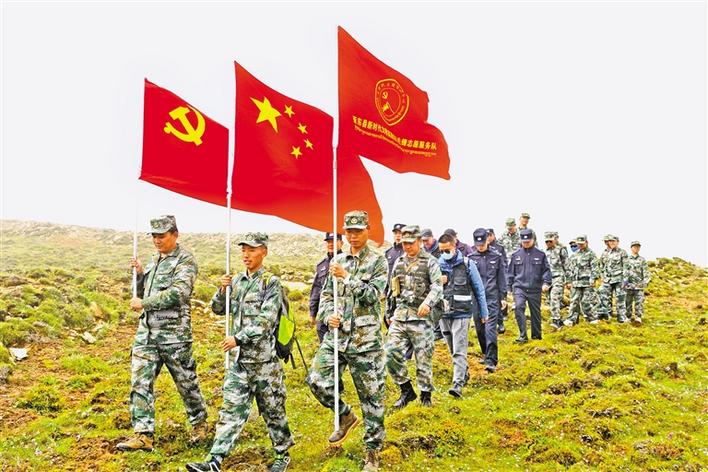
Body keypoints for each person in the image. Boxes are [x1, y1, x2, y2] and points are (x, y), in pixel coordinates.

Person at [187, 233, 294, 472]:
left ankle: (282, 454)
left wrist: (238, 338)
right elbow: (217, 309)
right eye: (243, 250)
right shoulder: (235, 281)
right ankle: (214, 460)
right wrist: (222, 289)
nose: (246, 254)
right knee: (231, 411)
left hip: (264, 362)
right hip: (239, 363)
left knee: (273, 410)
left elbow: (266, 321)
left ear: (264, 252)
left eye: (252, 250)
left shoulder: (271, 283)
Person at [117, 216, 208, 453]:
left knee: (186, 382)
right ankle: (143, 434)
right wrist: (139, 275)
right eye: (154, 236)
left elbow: (179, 293)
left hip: (174, 335)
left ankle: (199, 425)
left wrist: (145, 303)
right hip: (147, 333)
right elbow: (142, 291)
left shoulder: (185, 260)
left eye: (162, 236)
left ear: (175, 234)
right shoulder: (153, 260)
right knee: (140, 381)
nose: (157, 240)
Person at [306, 210, 387, 472]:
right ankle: (345, 415)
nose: (353, 236)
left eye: (358, 231)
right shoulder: (337, 260)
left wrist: (347, 278)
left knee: (371, 399)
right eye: (349, 231)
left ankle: (373, 451)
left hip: (365, 341)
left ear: (367, 230)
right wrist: (328, 315)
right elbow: (327, 296)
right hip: (337, 338)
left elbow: (373, 295)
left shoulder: (378, 261)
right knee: (316, 380)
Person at [385, 225, 443, 408]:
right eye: (404, 243)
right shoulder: (399, 261)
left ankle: (425, 395)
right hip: (401, 316)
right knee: (390, 352)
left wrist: (428, 303)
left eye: (410, 243)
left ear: (419, 241)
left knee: (423, 358)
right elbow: (392, 289)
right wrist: (389, 313)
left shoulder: (430, 261)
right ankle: (406, 390)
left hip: (421, 317)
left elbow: (437, 286)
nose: (407, 246)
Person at [437, 233, 488, 398]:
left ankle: (457, 384)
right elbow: (429, 288)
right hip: (444, 314)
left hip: (462, 313)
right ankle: (464, 372)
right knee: (452, 348)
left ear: (454, 246)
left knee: (459, 349)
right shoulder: (436, 265)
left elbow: (479, 289)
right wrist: (437, 281)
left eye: (446, 250)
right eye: (441, 250)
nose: (444, 253)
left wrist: (484, 312)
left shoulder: (468, 264)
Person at [469, 228, 506, 373]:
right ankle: (486, 353)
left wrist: (503, 297)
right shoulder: (471, 258)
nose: (480, 247)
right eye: (478, 245)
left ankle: (491, 360)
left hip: (492, 297)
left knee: (490, 328)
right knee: (479, 328)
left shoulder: (496, 257)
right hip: (476, 298)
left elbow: (501, 278)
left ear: (487, 241)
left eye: (482, 244)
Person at [506, 229, 551, 343]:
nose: (526, 243)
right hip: (519, 287)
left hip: (535, 288)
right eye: (524, 242)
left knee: (535, 313)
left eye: (528, 241)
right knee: (518, 307)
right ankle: (523, 335)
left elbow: (546, 270)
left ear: (533, 240)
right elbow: (510, 273)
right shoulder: (516, 255)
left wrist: (546, 283)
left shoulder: (540, 255)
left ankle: (536, 336)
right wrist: (508, 288)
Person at [310, 232, 344, 343]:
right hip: (323, 314)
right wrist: (313, 313)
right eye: (328, 241)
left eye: (334, 241)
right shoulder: (321, 265)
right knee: (324, 346)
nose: (331, 244)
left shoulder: (348, 262)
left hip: (341, 315)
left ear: (341, 243)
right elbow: (316, 290)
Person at [563, 235, 600, 326]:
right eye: (578, 244)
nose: (580, 245)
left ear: (586, 242)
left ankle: (592, 318)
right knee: (574, 301)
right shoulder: (574, 255)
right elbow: (569, 269)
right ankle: (572, 319)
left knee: (586, 301)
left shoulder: (591, 254)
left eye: (582, 244)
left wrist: (593, 279)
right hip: (576, 283)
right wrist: (568, 281)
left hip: (588, 283)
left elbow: (595, 268)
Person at [597, 235, 629, 323]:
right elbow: (601, 265)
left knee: (620, 298)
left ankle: (621, 317)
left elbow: (626, 266)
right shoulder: (605, 253)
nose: (611, 243)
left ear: (617, 242)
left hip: (619, 279)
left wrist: (625, 279)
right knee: (603, 296)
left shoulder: (622, 252)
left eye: (613, 241)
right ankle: (606, 315)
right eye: (610, 241)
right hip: (607, 280)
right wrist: (602, 276)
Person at [544, 231, 569, 330]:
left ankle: (556, 320)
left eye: (550, 241)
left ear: (555, 239)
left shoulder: (561, 249)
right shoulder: (545, 251)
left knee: (554, 297)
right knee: (550, 300)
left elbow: (566, 265)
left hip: (558, 277)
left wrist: (568, 280)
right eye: (546, 241)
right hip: (548, 279)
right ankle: (559, 316)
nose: (548, 243)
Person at [384, 223, 406, 325]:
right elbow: (385, 272)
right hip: (391, 292)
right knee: (388, 319)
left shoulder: (408, 251)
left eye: (400, 233)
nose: (398, 235)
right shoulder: (388, 252)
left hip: (404, 292)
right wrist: (384, 291)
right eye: (396, 233)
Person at [487, 228, 508, 333]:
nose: (488, 237)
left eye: (490, 235)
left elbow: (504, 263)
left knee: (498, 302)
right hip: (486, 279)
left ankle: (500, 322)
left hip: (497, 278)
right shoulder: (478, 248)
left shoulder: (500, 248)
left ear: (493, 235)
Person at [626, 241, 650, 325]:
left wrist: (645, 283)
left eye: (638, 247)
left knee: (639, 303)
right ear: (631, 248)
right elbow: (623, 271)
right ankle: (628, 317)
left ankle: (638, 318)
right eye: (635, 247)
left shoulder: (642, 260)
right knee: (627, 302)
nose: (636, 248)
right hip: (628, 285)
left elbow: (646, 272)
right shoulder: (626, 259)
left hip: (639, 285)